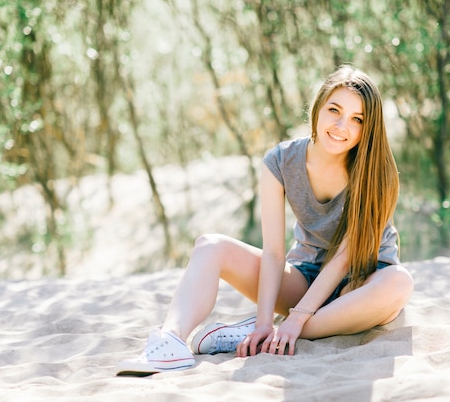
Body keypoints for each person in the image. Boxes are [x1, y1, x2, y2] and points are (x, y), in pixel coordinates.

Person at [115, 65, 414, 375]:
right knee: (210, 245)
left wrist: (296, 319)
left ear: (369, 127)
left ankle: (276, 333)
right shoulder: (281, 161)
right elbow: (273, 252)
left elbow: (344, 259)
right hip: (306, 277)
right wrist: (263, 321)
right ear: (318, 108)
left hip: (362, 286)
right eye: (334, 110)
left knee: (400, 282)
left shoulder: (378, 173)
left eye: (357, 119)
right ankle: (170, 342)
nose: (341, 126)